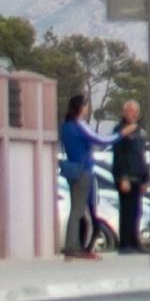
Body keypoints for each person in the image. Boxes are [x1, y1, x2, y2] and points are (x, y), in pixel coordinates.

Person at [58, 92, 102, 259]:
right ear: (80, 107)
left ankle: (76, 244)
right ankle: (72, 245)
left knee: (78, 209)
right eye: (84, 106)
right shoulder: (78, 126)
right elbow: (96, 140)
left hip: (73, 170)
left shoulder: (65, 126)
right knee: (78, 210)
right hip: (83, 170)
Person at [110, 104, 150, 265]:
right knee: (127, 211)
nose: (133, 114)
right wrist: (122, 177)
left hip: (138, 177)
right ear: (123, 112)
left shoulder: (138, 131)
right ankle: (125, 244)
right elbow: (119, 155)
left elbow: (141, 156)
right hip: (126, 177)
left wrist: (145, 178)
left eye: (135, 111)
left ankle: (135, 242)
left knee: (137, 211)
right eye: (130, 111)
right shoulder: (119, 131)